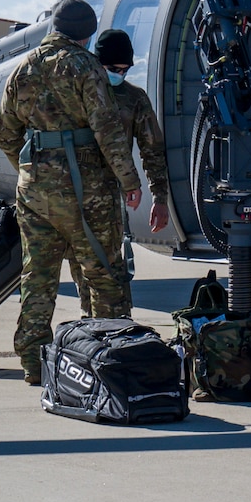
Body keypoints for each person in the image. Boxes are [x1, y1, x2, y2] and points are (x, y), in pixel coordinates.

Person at [0, 0, 143, 384]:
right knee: (102, 273)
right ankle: (110, 352)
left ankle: (32, 361)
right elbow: (107, 129)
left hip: (33, 190)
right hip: (85, 191)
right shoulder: (85, 67)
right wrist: (129, 180)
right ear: (87, 33)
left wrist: (34, 171)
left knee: (38, 275)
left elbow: (6, 134)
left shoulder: (22, 68)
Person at [66, 28, 170, 314]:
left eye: (124, 70)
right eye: (113, 69)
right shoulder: (75, 95)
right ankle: (91, 323)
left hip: (111, 199)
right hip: (73, 195)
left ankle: (117, 325)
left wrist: (159, 199)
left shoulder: (134, 99)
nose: (119, 74)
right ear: (97, 63)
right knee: (82, 267)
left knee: (113, 268)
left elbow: (153, 150)